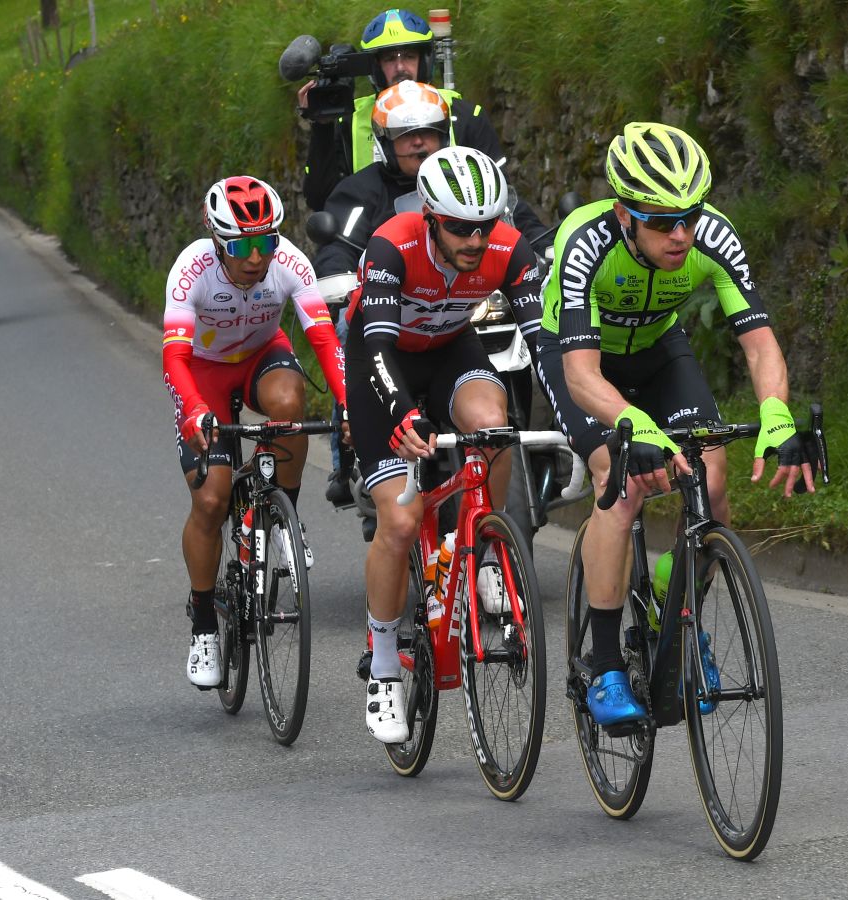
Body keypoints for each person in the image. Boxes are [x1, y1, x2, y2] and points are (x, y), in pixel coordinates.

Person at [534, 122, 816, 727]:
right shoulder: (583, 242)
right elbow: (583, 376)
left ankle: (675, 605)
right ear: (622, 213)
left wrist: (774, 411)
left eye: (688, 216)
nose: (681, 234)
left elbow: (760, 343)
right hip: (580, 358)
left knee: (712, 481)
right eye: (662, 222)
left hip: (659, 347)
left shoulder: (712, 235)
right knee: (621, 478)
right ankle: (605, 664)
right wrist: (636, 425)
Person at [344, 145, 544, 742]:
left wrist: (585, 423)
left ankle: (483, 550)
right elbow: (377, 347)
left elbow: (550, 348)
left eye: (485, 226)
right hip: (384, 365)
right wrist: (404, 413)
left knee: (494, 422)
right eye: (459, 227)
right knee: (401, 524)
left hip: (451, 350)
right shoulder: (391, 246)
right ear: (430, 216)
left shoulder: (510, 251)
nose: (475, 240)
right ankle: (383, 667)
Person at [163, 176, 347, 688]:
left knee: (290, 406)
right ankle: (203, 625)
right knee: (211, 501)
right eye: (242, 245)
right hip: (204, 371)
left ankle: (284, 515)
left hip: (264, 356)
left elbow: (324, 338)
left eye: (265, 242)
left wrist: (349, 403)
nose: (256, 257)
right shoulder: (191, 270)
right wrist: (195, 410)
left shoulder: (289, 263)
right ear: (218, 242)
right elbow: (174, 357)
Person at [296, 8, 546, 244]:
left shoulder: (465, 115)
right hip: (377, 250)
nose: (401, 67)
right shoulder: (350, 119)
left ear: (425, 60)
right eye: (389, 59)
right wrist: (322, 127)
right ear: (375, 67)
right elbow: (323, 201)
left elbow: (503, 199)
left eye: (409, 56)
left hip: (464, 245)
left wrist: (543, 244)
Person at [315, 79, 451, 506]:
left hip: (452, 309)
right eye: (406, 136)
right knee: (344, 327)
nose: (419, 144)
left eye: (428, 133)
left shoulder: (467, 178)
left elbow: (513, 219)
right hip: (384, 308)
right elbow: (335, 246)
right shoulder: (359, 191)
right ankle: (347, 454)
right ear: (385, 142)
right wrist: (339, 280)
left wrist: (540, 246)